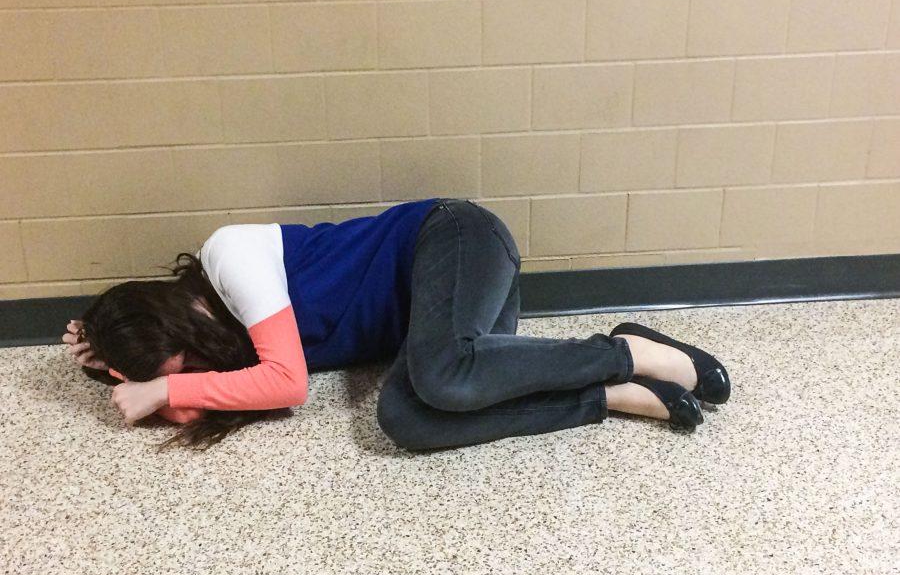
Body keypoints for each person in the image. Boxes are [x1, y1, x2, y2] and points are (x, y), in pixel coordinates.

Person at [62, 197, 730, 452]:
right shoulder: (223, 347)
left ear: (171, 330)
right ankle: (603, 396)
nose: (188, 385)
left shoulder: (229, 256)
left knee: (441, 373)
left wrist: (165, 389)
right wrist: (113, 362)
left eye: (174, 368)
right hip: (453, 328)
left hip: (455, 240)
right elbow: (222, 394)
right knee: (405, 419)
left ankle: (623, 351)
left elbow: (289, 383)